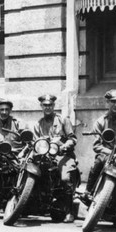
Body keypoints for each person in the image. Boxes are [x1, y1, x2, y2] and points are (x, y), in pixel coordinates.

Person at [33, 94, 79, 223]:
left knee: (65, 178)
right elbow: (35, 142)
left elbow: (73, 138)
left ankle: (69, 212)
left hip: (63, 155)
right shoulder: (38, 124)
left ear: (54, 106)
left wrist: (64, 146)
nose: (48, 108)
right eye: (45, 105)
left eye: (50, 105)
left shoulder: (63, 120)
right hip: (45, 157)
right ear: (41, 106)